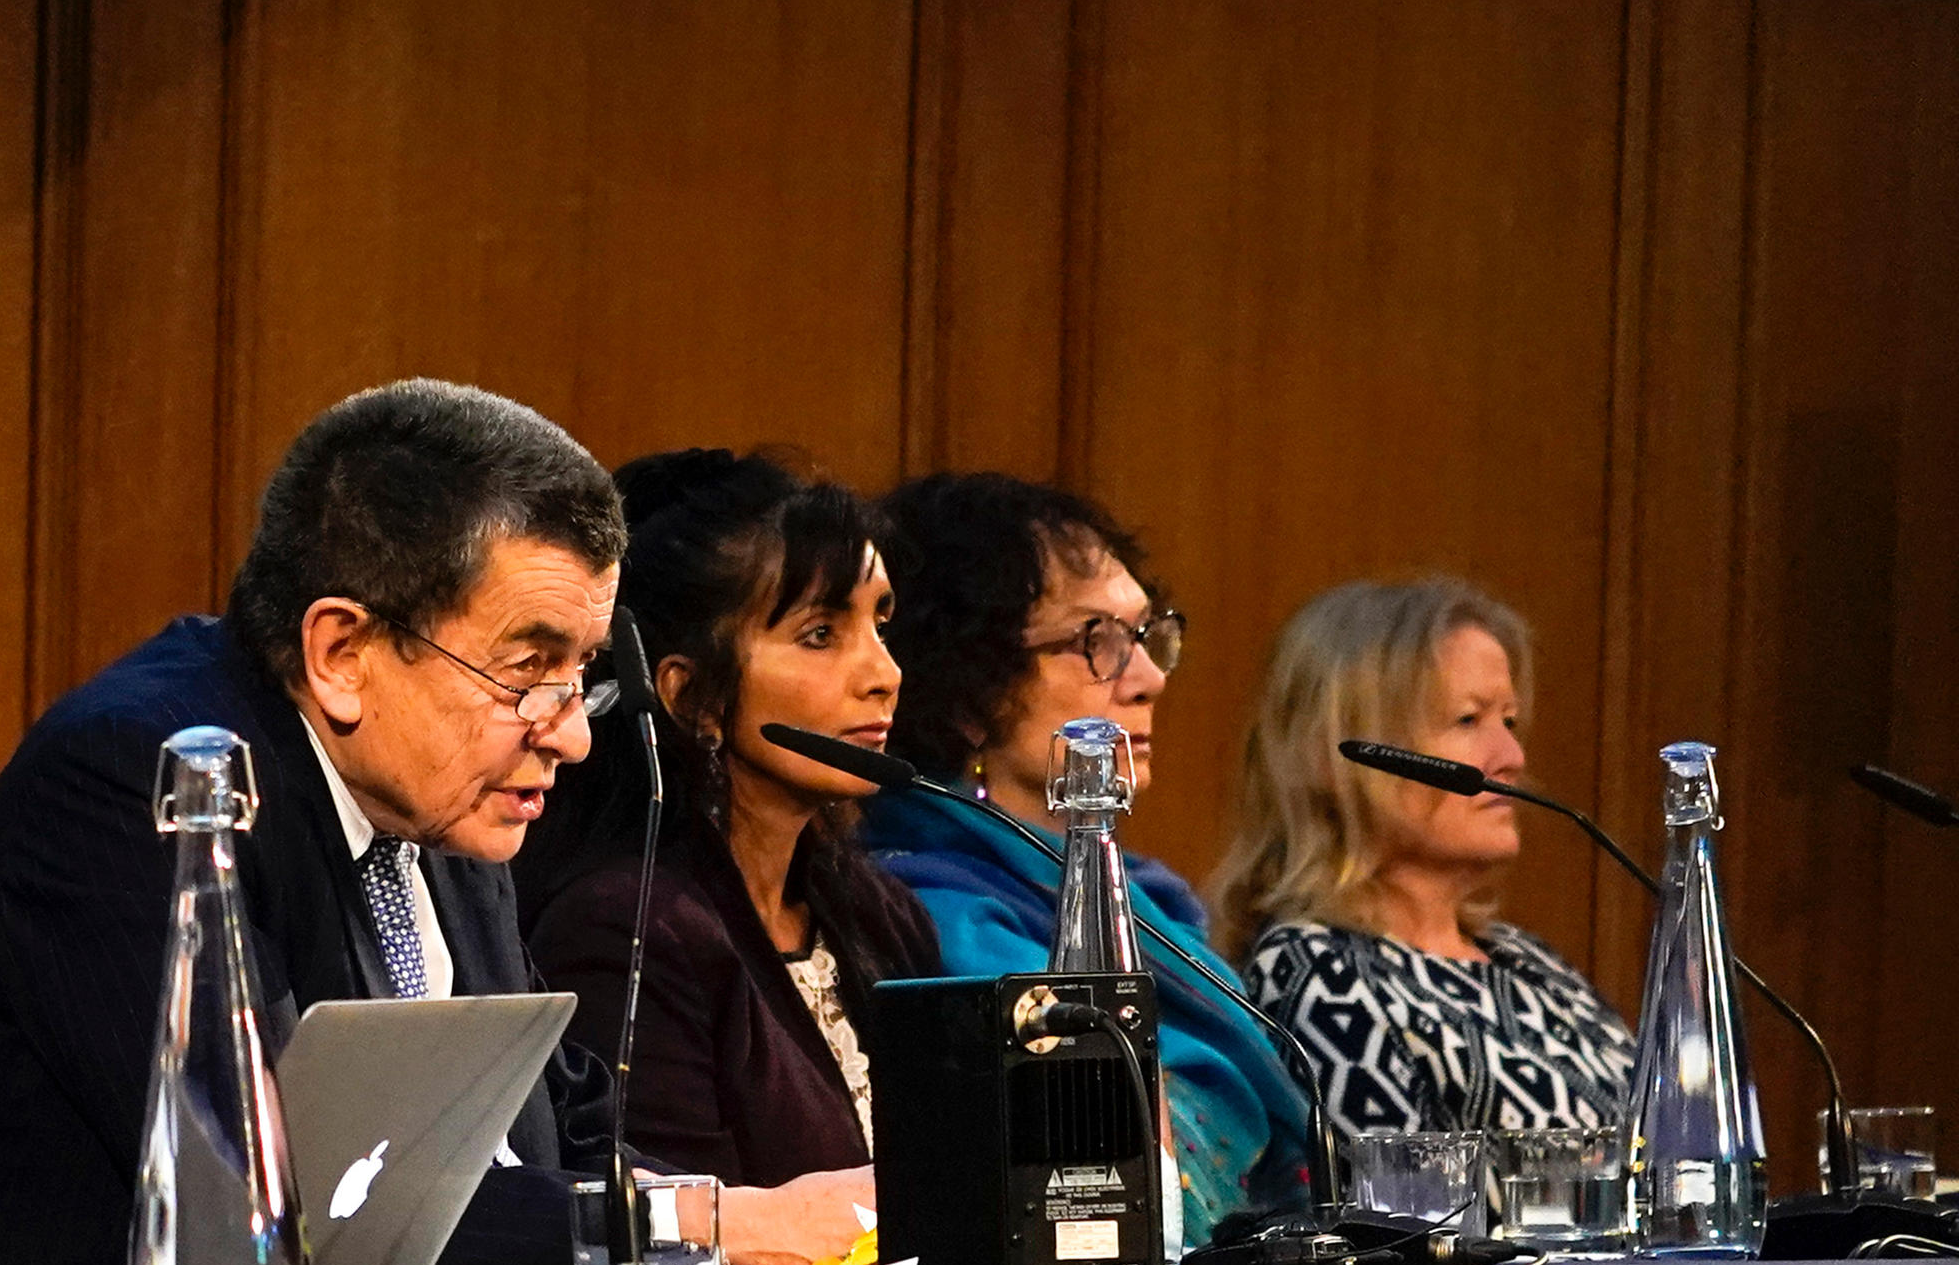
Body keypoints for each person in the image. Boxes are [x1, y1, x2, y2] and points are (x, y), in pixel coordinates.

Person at [0, 378, 863, 1265]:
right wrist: (696, 1223)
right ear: (342, 653)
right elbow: (300, 1198)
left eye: (582, 673)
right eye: (527, 671)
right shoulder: (143, 783)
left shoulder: (442, 797)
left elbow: (552, 1134)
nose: (574, 734)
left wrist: (770, 1217)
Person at [865, 470, 1310, 1224]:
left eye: (1147, 635)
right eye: (1095, 641)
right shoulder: (934, 918)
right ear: (969, 688)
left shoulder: (1151, 905)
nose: (1148, 678)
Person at [525, 451, 935, 1212]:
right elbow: (681, 1250)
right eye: (820, 633)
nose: (885, 673)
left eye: (880, 622)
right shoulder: (627, 931)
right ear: (692, 697)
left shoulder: (884, 915)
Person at [1214, 577, 1632, 1137]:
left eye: (1508, 722)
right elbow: (1398, 1218)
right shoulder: (1315, 971)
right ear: (1340, 754)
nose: (1511, 757)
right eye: (1468, 719)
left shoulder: (1529, 961)